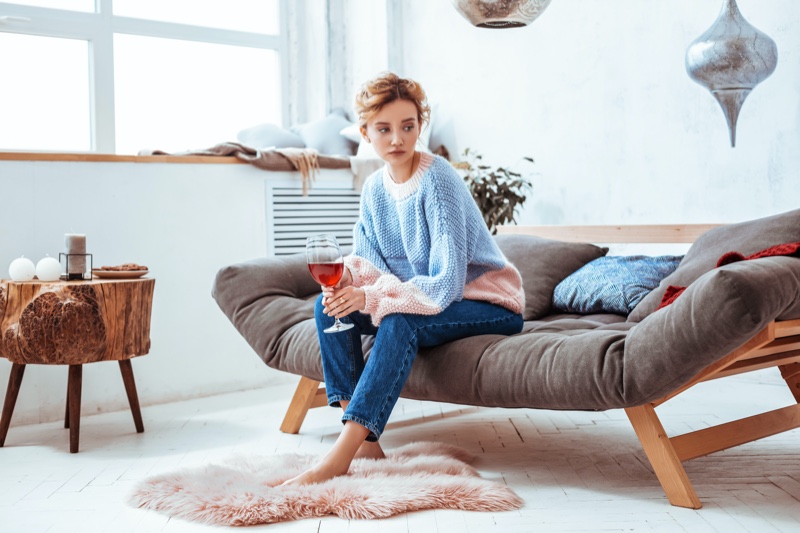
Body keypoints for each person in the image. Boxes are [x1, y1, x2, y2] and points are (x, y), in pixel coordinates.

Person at [282, 72, 525, 486]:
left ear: (419, 127)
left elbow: (446, 283)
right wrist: (349, 290)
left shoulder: (438, 178)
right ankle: (368, 446)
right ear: (365, 133)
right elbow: (369, 264)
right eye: (384, 129)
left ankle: (341, 454)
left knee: (398, 319)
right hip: (424, 299)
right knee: (326, 309)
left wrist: (370, 298)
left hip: (485, 301)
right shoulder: (374, 189)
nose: (397, 138)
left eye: (408, 126)